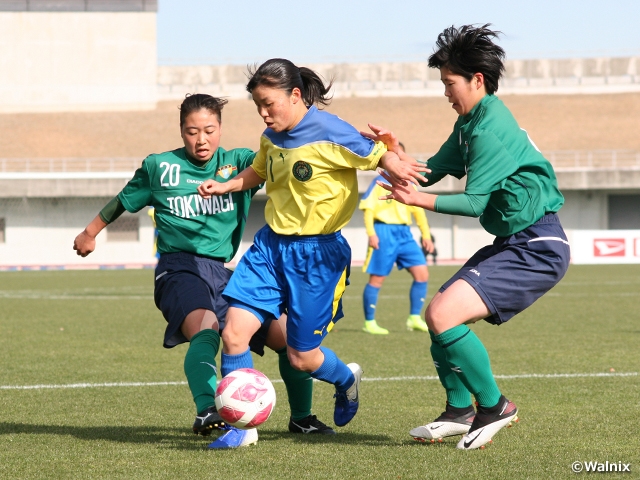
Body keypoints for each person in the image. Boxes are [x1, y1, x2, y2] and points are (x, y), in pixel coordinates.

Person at [72, 93, 335, 451]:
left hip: (224, 272)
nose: (201, 139)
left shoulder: (242, 162)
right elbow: (123, 200)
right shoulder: (159, 167)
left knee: (287, 337)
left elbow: (284, 157)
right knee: (208, 327)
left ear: (220, 129)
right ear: (181, 131)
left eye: (209, 130)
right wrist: (90, 232)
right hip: (178, 268)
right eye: (192, 131)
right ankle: (208, 409)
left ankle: (301, 417)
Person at [197, 58, 426, 440]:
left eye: (269, 104)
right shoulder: (270, 137)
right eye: (258, 106)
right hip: (271, 247)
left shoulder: (330, 130)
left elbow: (375, 154)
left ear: (296, 95)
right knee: (234, 333)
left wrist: (396, 160)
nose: (264, 114)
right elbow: (261, 169)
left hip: (318, 256)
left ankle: (345, 379)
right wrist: (229, 185)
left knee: (301, 356)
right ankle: (241, 429)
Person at [368, 25, 570, 450]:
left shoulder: (487, 128)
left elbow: (475, 202)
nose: (445, 92)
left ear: (477, 80)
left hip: (537, 245)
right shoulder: (469, 121)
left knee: (443, 315)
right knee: (437, 316)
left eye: (449, 83)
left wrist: (417, 200)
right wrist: (392, 154)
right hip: (515, 242)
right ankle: (460, 411)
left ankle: (495, 406)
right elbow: (431, 168)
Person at [359, 142, 435, 335]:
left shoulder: (409, 183)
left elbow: (419, 211)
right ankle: (369, 322)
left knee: (422, 274)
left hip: (405, 235)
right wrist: (371, 233)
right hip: (383, 232)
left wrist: (426, 235)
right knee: (377, 279)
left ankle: (414, 318)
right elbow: (368, 208)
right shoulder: (378, 182)